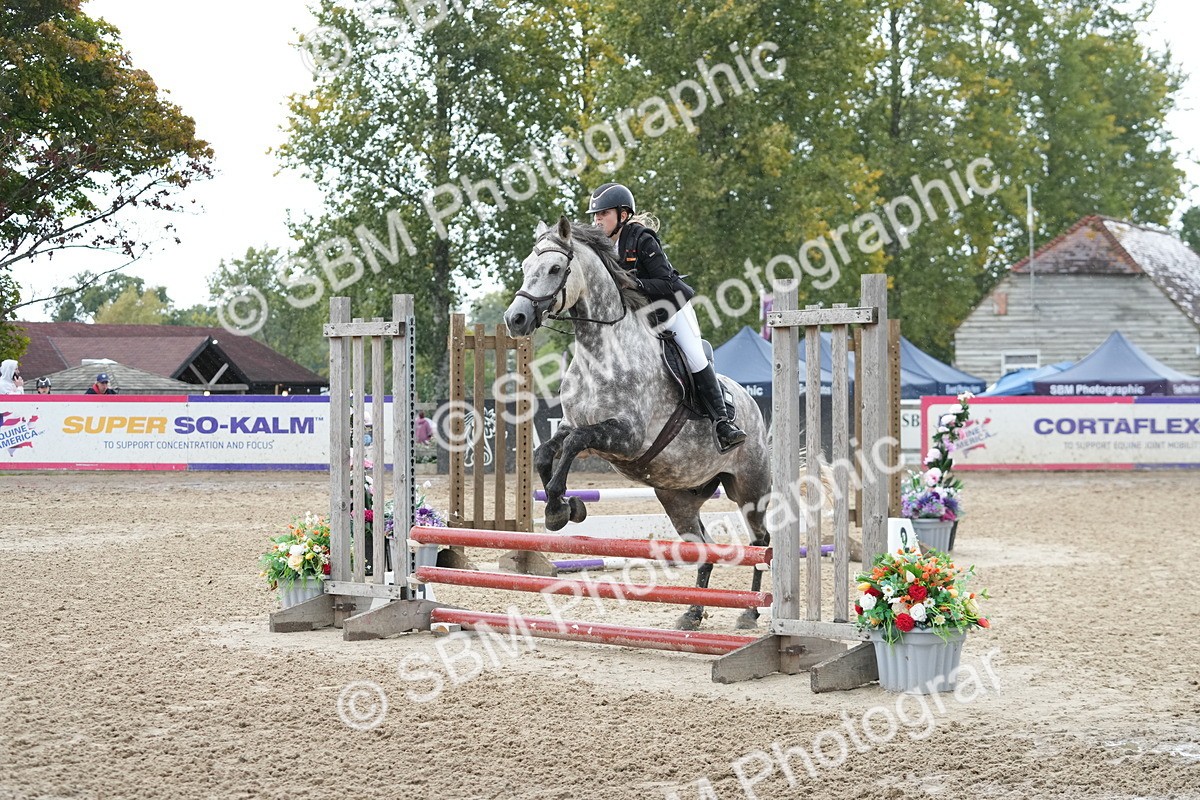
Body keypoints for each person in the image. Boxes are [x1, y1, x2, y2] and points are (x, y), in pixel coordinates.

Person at [586, 182, 747, 451]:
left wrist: (635, 284)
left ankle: (722, 423)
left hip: (671, 308)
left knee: (694, 355)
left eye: (603, 213)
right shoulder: (600, 248)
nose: (597, 219)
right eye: (595, 215)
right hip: (637, 318)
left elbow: (667, 282)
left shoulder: (642, 239)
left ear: (622, 215)